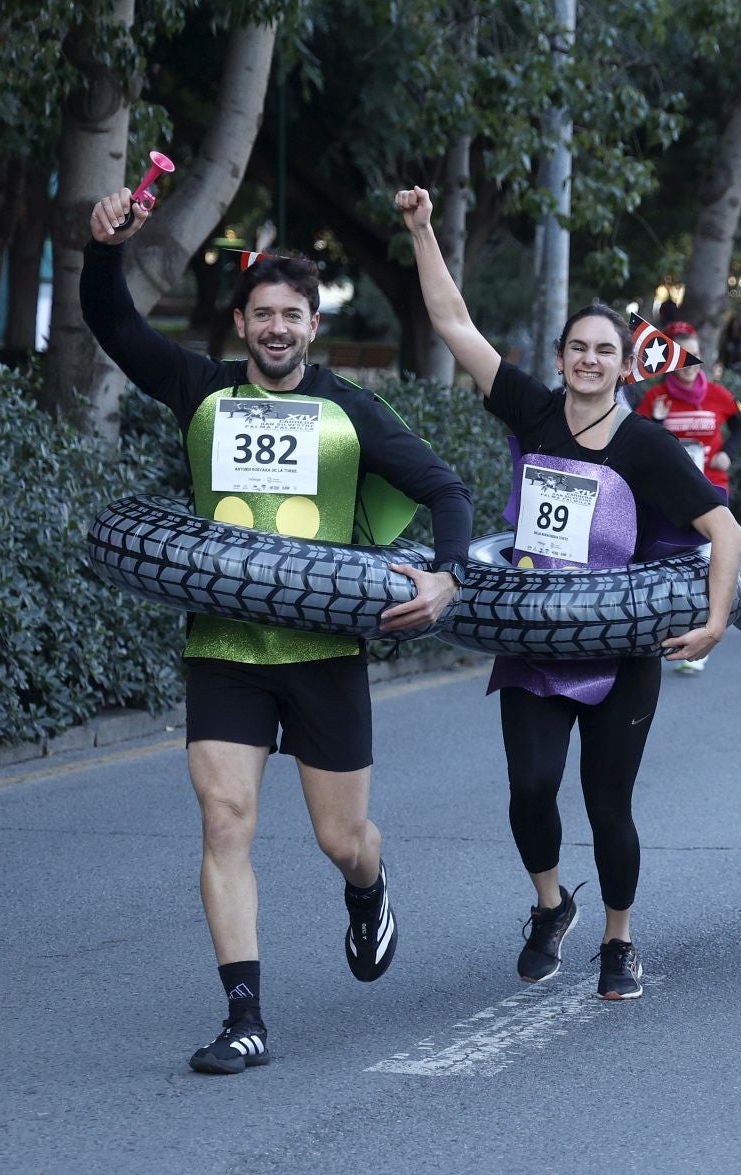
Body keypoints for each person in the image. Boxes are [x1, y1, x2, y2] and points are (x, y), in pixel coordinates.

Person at [84, 189, 472, 1075]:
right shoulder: (200, 389)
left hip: (327, 650)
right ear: (241, 321)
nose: (276, 327)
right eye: (262, 313)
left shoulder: (350, 412)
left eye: (292, 314)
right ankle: (245, 1014)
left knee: (344, 838)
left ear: (312, 324)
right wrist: (101, 249)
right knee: (225, 822)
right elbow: (113, 325)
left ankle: (368, 889)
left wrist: (446, 574)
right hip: (224, 647)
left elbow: (447, 489)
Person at [397, 186, 741, 1000]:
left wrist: (715, 622)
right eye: (576, 348)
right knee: (529, 788)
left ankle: (619, 941)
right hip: (536, 637)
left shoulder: (646, 445)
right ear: (559, 358)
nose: (588, 360)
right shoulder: (534, 408)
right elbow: (455, 325)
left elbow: (725, 531)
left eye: (603, 350)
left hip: (623, 646)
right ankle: (551, 902)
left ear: (624, 364)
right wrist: (421, 230)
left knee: (608, 802)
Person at [635, 322, 741, 674]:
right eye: (682, 359)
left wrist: (728, 451)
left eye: (694, 357)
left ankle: (701, 639)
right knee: (669, 560)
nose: (690, 366)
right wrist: (654, 422)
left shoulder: (718, 393)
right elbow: (634, 441)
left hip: (711, 488)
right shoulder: (656, 398)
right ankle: (664, 630)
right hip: (668, 494)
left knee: (709, 560)